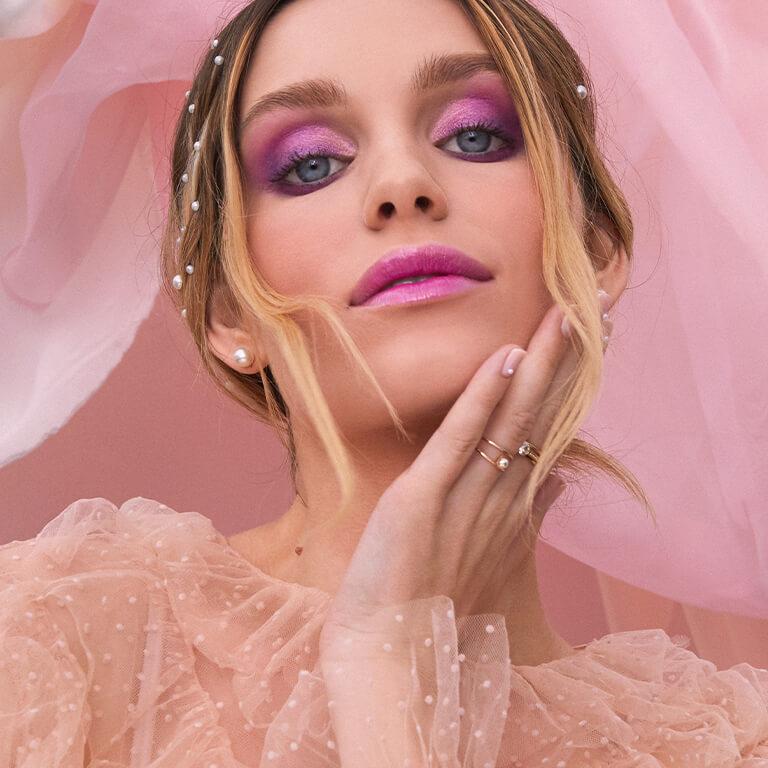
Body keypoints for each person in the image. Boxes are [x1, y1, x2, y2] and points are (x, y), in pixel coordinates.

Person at [1, 0, 767, 766]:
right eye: (311, 163)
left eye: (474, 134)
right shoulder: (61, 638)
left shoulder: (719, 744)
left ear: (597, 252)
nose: (402, 183)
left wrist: (390, 668)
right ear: (229, 312)